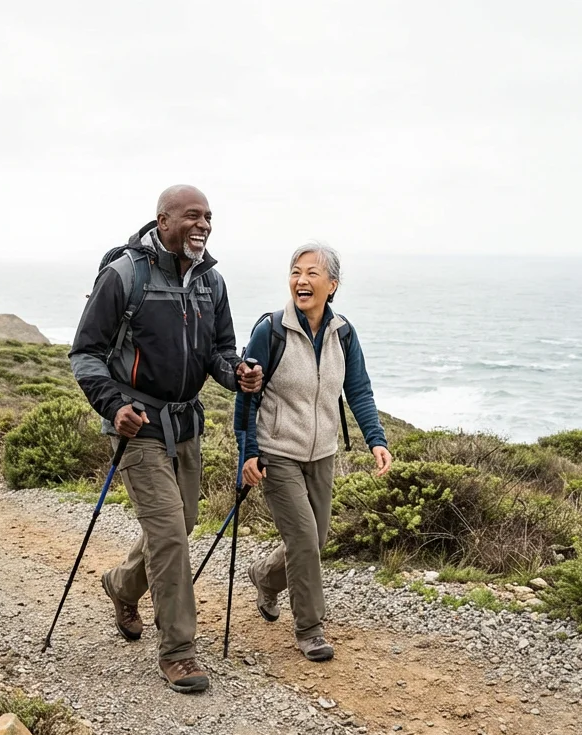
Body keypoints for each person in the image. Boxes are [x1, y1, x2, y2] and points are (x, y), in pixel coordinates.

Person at [70, 185, 262, 693]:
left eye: (209, 217)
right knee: (172, 537)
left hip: (186, 424)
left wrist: (236, 371)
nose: (203, 225)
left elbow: (219, 351)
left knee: (184, 523)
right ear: (163, 220)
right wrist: (114, 407)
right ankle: (178, 651)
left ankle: (122, 584)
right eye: (192, 216)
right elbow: (85, 354)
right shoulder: (124, 276)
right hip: (139, 427)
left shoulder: (211, 282)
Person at [239, 242, 392, 662]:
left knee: (315, 539)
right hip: (278, 451)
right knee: (304, 539)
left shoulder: (343, 332)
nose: (301, 281)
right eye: (295, 272)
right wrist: (248, 452)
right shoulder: (270, 330)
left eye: (311, 273)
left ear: (333, 284)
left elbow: (358, 390)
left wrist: (376, 440)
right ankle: (310, 628)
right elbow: (245, 396)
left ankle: (265, 577)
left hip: (322, 452)